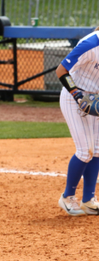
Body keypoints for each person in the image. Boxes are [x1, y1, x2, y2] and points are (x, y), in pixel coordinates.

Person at [56, 26, 99, 216]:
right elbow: (61, 70)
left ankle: (89, 200)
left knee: (97, 150)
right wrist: (77, 95)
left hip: (96, 99)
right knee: (85, 151)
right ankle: (67, 197)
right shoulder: (91, 44)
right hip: (74, 95)